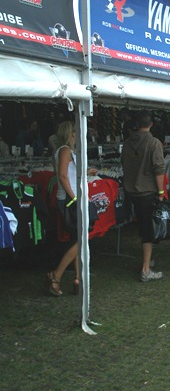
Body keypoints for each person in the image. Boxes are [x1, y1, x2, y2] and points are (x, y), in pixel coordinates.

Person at [47, 121, 97, 296]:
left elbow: (67, 174)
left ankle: (78, 279)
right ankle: (57, 274)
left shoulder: (65, 151)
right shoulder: (65, 150)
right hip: (70, 199)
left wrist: (85, 173)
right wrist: (74, 198)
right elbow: (62, 175)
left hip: (72, 198)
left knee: (78, 239)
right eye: (76, 132)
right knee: (81, 239)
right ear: (71, 134)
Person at [121, 110, 165, 282]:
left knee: (142, 228)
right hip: (146, 191)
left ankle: (147, 261)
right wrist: (161, 192)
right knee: (147, 230)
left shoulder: (127, 143)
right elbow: (159, 170)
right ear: (151, 124)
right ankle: (146, 269)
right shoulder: (154, 143)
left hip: (131, 190)